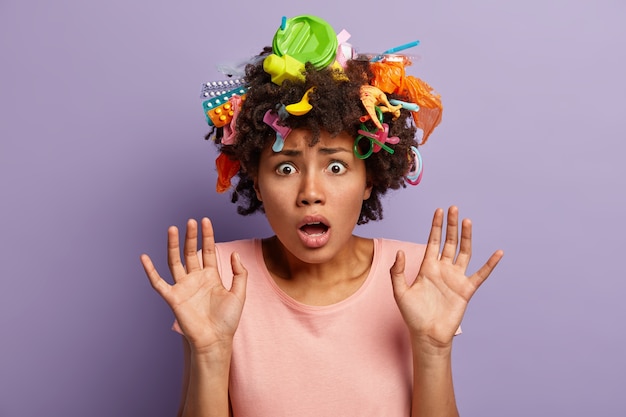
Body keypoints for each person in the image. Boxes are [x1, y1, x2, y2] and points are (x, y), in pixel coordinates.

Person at [140, 14, 503, 417]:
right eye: (285, 168)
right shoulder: (215, 278)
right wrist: (209, 352)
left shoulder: (419, 276)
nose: (311, 194)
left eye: (335, 167)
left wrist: (434, 348)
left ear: (369, 178)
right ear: (255, 181)